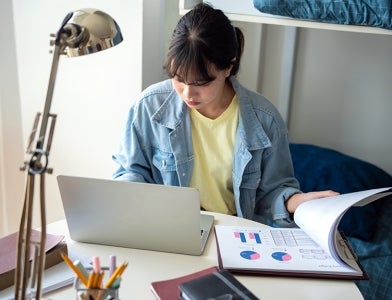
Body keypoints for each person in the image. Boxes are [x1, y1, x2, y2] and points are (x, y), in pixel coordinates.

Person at [112, 3, 337, 227]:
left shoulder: (265, 120)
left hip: (233, 231)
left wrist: (297, 201)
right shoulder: (148, 106)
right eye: (179, 78)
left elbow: (273, 192)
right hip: (168, 227)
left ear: (229, 67)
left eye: (202, 82)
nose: (188, 93)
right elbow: (131, 171)